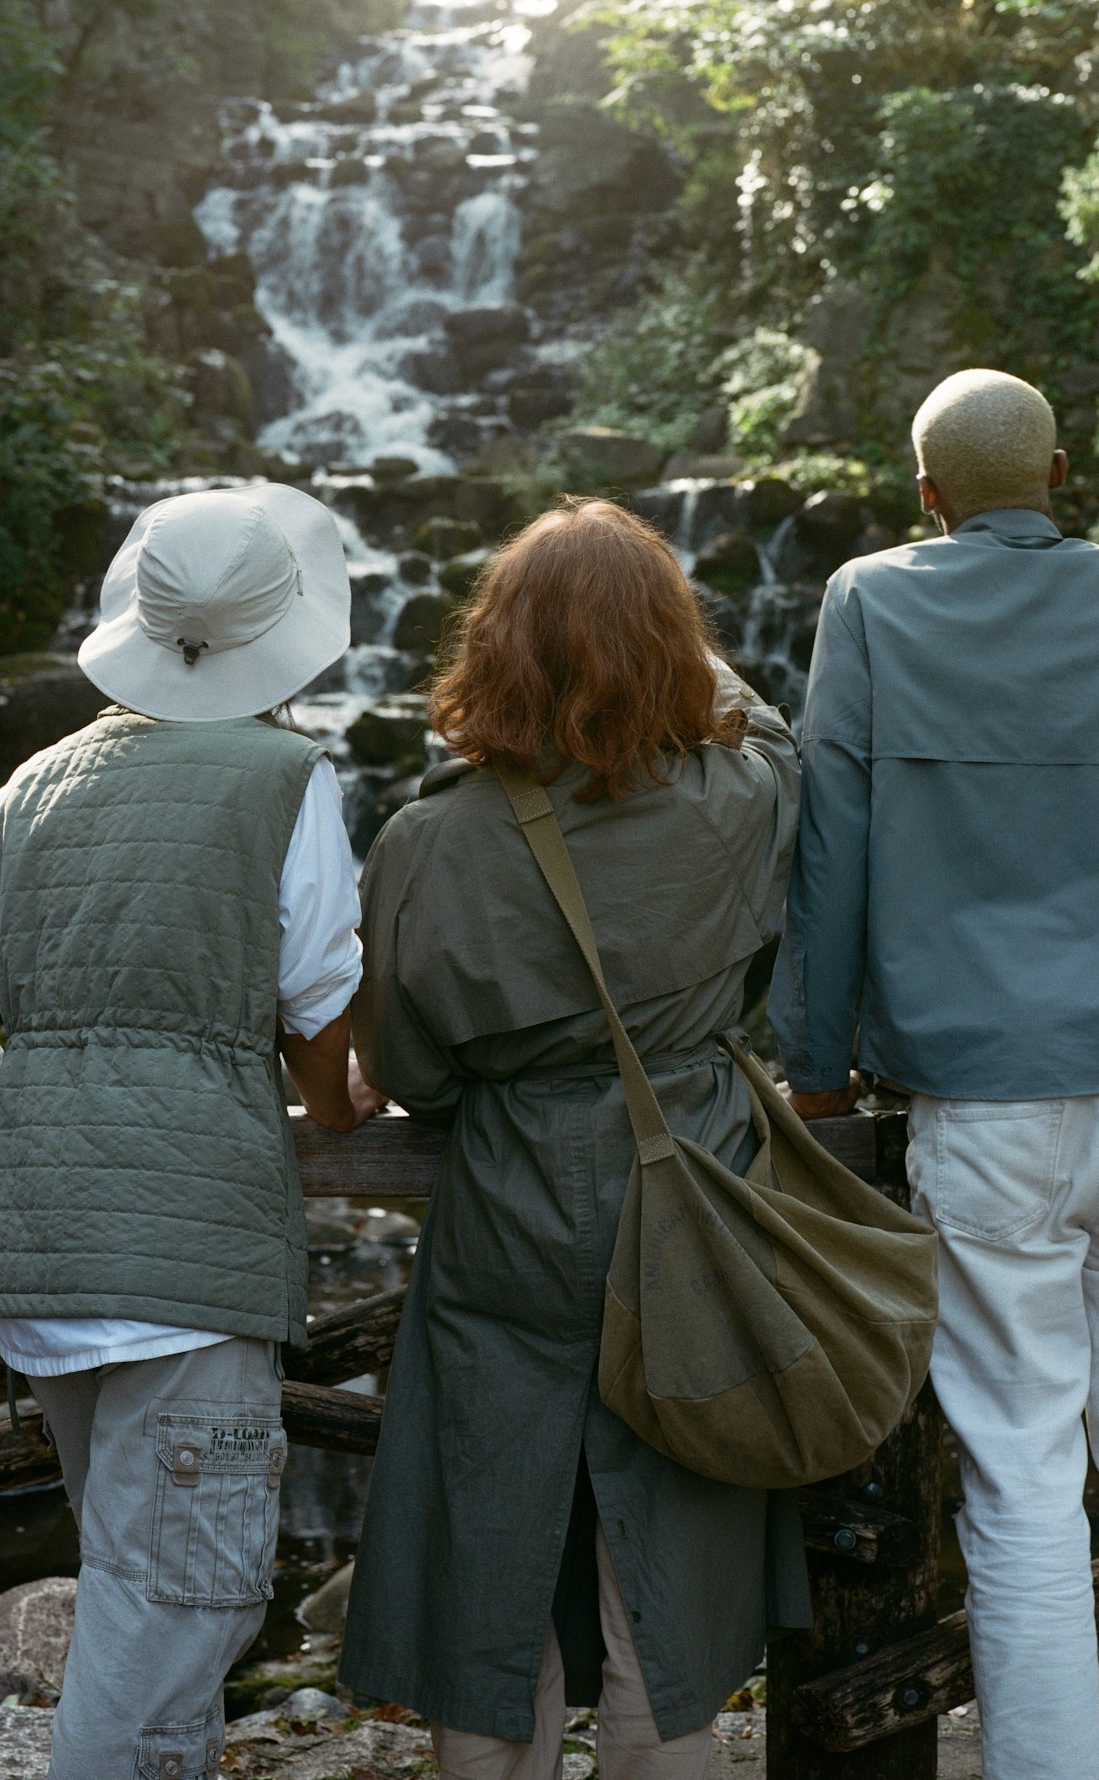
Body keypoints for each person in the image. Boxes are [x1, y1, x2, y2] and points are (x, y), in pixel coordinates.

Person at [769, 368, 1099, 1780]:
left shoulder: (870, 602)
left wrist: (817, 1067)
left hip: (978, 1112)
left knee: (1023, 1474)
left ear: (927, 493)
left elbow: (830, 852)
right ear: (1059, 472)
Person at [339, 498, 811, 1780]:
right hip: (688, 1205)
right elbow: (774, 734)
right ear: (671, 644)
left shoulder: (424, 841)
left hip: (506, 1209)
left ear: (489, 652)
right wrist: (680, 659)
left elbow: (409, 1073)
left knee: (484, 1575)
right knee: (663, 1604)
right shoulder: (737, 802)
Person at [0, 484, 383, 1780]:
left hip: (46, 1263)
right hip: (188, 1267)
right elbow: (319, 1001)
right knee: (174, 1606)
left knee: (140, 1593)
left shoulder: (32, 784)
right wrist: (331, 1105)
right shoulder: (285, 778)